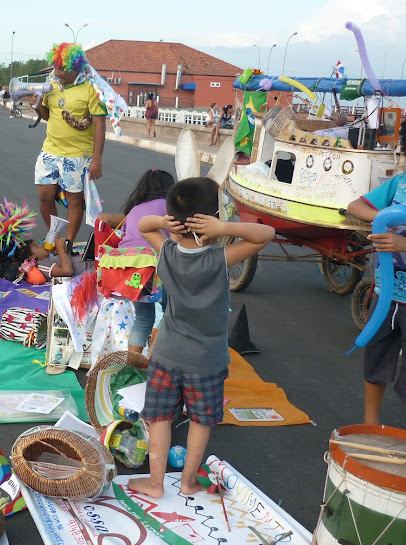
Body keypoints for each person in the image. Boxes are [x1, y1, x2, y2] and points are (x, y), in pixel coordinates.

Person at [128, 177, 274, 498]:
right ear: (212, 218)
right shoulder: (218, 259)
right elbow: (266, 234)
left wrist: (167, 225)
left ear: (173, 221)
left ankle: (155, 483)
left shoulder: (166, 252)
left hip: (165, 355)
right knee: (199, 421)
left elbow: (143, 225)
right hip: (206, 362)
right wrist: (224, 231)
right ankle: (188, 481)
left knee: (160, 419)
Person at [32, 43, 109, 244]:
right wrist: (38, 104)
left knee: (75, 200)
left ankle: (67, 242)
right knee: (44, 196)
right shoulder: (51, 84)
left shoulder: (92, 88)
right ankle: (53, 236)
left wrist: (97, 160)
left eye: (62, 68)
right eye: (55, 67)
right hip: (49, 150)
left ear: (76, 67)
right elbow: (47, 116)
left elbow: (100, 126)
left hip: (78, 155)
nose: (57, 72)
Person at [346, 174, 406, 425]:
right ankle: (369, 425)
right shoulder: (399, 183)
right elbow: (354, 207)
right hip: (385, 295)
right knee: (375, 358)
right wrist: (383, 217)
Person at [97, 168, 175, 353]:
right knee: (172, 313)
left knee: (143, 318)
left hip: (131, 269)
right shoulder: (168, 207)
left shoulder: (133, 210)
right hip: (153, 264)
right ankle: (156, 362)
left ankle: (132, 365)